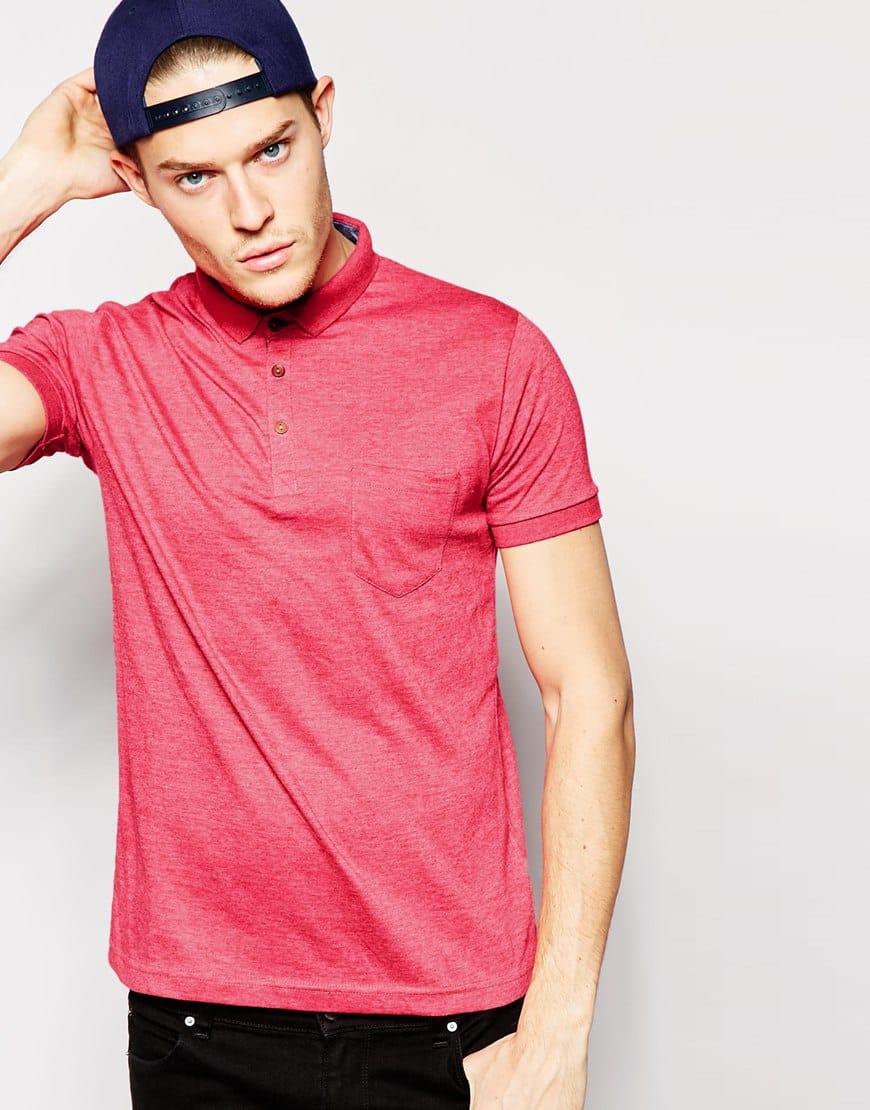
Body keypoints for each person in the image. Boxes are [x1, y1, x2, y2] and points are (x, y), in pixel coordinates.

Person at [0, 0, 636, 1106]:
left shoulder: (492, 358)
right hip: (200, 1021)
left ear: (323, 114)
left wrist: (559, 1029)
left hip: (454, 1018)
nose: (250, 210)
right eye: (193, 177)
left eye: (272, 150)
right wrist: (23, 189)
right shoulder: (104, 362)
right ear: (135, 183)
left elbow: (588, 693)